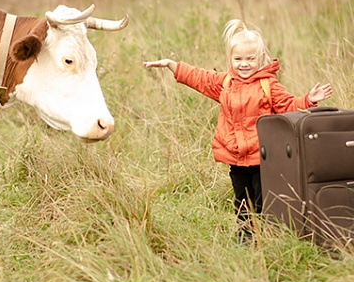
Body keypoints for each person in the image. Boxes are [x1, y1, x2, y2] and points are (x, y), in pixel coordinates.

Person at [143, 19, 333, 243]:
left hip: (263, 157)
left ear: (260, 59)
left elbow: (289, 105)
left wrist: (309, 99)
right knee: (242, 200)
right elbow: (199, 78)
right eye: (238, 59)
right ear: (230, 59)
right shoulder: (226, 82)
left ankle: (268, 237)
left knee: (263, 200)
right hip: (236, 158)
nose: (244, 64)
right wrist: (171, 64)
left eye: (250, 59)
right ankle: (245, 237)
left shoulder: (268, 85)